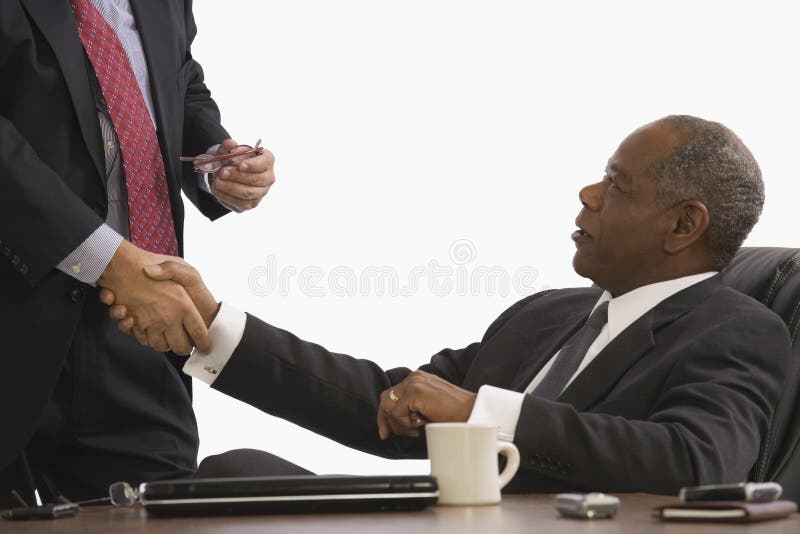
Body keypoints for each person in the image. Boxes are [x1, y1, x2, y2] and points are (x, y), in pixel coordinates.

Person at [106, 115, 790, 494]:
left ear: (683, 225)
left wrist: (484, 415)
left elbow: (697, 460)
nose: (586, 196)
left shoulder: (736, 330)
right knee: (232, 477)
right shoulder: (546, 316)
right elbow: (394, 401)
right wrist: (208, 328)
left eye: (615, 185)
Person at [0, 0, 275, 507]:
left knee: (160, 517)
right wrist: (109, 261)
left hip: (135, 327)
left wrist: (215, 159)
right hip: (15, 312)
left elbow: (177, 76)